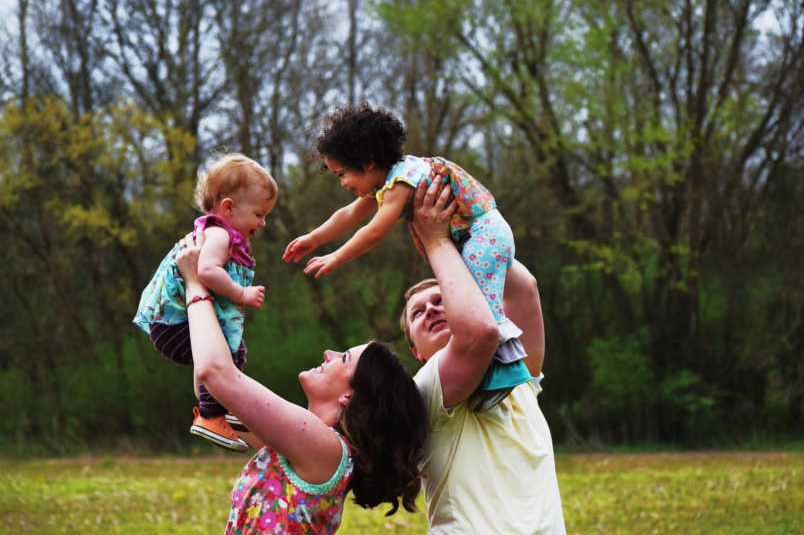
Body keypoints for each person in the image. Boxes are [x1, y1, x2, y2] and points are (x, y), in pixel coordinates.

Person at [174, 234, 428, 534]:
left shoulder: (325, 448)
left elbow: (217, 374)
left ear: (350, 395)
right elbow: (212, 396)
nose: (328, 354)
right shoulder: (305, 443)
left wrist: (195, 284)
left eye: (343, 358)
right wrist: (216, 299)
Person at [284, 103, 531, 410]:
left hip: (483, 237)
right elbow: (348, 214)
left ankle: (501, 375)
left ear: (368, 162)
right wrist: (314, 238)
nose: (343, 183)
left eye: (342, 173)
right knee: (473, 309)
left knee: (482, 311)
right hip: (472, 239)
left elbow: (374, 232)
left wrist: (336, 257)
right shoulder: (388, 181)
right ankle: (488, 374)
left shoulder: (402, 182)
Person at [400, 176, 567, 534]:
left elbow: (524, 288)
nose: (430, 309)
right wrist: (435, 240)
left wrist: (473, 225)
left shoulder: (516, 369)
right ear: (415, 350)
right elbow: (478, 332)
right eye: (418, 313)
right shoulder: (427, 389)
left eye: (440, 300)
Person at [133, 153, 276, 452]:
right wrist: (241, 294)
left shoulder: (221, 234)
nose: (263, 223)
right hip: (174, 324)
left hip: (174, 325)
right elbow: (206, 271)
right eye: (260, 214)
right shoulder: (219, 236)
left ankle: (224, 408)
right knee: (226, 356)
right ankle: (212, 415)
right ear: (228, 207)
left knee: (231, 354)